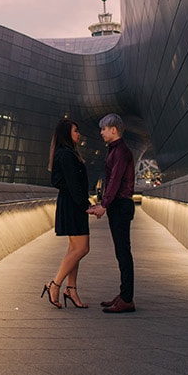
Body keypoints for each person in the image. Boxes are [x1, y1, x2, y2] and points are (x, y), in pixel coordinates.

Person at [88, 113, 137, 313]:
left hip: (121, 206)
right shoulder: (117, 150)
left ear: (113, 130)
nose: (101, 132)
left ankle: (127, 298)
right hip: (119, 205)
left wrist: (104, 206)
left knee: (123, 252)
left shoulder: (121, 152)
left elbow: (115, 180)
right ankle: (124, 294)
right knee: (121, 251)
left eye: (104, 129)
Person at [41, 118, 91, 309]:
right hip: (72, 206)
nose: (79, 134)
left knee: (74, 250)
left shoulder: (65, 153)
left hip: (70, 204)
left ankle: (71, 290)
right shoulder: (67, 155)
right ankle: (55, 284)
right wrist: (86, 205)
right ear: (67, 134)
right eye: (76, 131)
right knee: (82, 249)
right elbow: (73, 184)